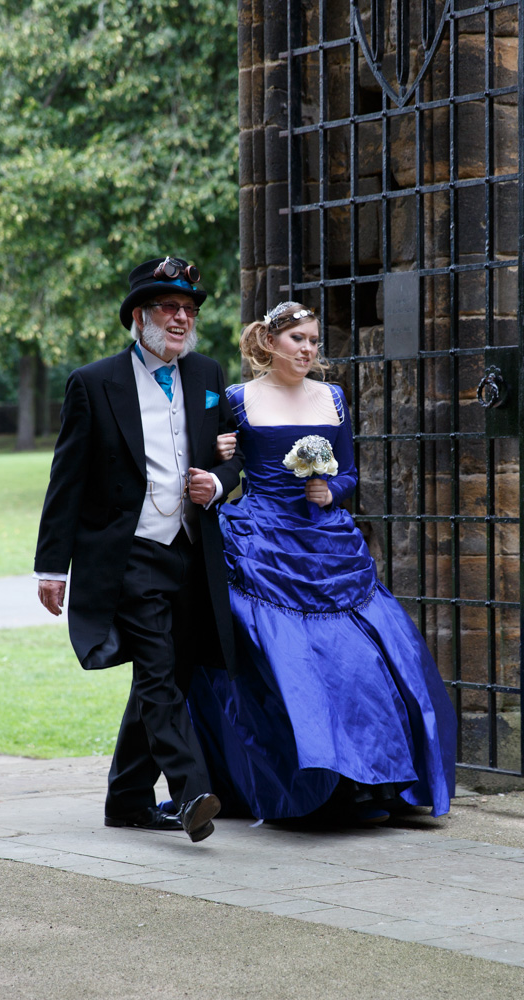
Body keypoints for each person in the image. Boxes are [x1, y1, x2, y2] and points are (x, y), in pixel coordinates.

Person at [186, 301, 456, 823]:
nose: (308, 349)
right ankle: (302, 780)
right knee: (283, 664)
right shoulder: (237, 400)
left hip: (326, 543)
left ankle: (371, 778)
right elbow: (221, 467)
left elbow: (350, 473)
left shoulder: (332, 398)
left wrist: (330, 491)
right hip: (263, 545)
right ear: (269, 342)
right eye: (298, 340)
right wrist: (219, 454)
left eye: (313, 341)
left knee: (357, 660)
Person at [34, 255, 243, 843]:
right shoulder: (93, 383)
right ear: (138, 316)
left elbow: (233, 457)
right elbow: (65, 481)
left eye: (188, 309)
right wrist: (51, 567)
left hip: (191, 549)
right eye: (168, 308)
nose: (181, 318)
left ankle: (127, 799)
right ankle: (191, 790)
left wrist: (219, 482)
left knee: (168, 670)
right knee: (157, 668)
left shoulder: (206, 374)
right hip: (129, 554)